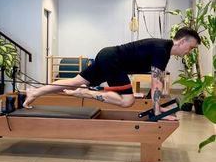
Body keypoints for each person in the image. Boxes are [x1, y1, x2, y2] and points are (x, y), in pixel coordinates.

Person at [23, 27, 200, 120]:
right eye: (191, 47)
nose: (189, 52)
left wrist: (157, 108)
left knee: (75, 81)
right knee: (127, 100)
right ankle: (86, 92)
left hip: (108, 55)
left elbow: (156, 84)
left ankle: (34, 92)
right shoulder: (162, 50)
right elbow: (156, 84)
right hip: (113, 60)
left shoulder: (163, 49)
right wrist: (157, 110)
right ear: (182, 41)